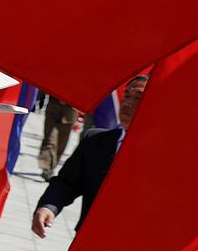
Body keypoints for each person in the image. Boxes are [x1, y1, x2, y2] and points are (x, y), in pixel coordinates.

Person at [32, 75, 148, 237]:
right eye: (127, 95)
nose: (128, 103)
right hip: (87, 238)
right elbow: (67, 182)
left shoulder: (165, 159)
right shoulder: (95, 140)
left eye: (138, 98)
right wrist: (48, 207)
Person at [37, 95, 79, 181]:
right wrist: (41, 97)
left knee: (61, 143)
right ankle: (46, 168)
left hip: (70, 110)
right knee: (50, 140)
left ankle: (52, 167)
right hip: (54, 106)